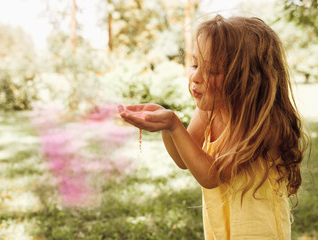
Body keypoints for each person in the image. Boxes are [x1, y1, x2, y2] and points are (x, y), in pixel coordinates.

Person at [118, 15, 308, 240]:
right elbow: (182, 159)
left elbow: (211, 177)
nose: (195, 77)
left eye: (212, 71)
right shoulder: (209, 111)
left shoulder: (261, 124)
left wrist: (174, 125)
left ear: (248, 78)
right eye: (195, 64)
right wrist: (167, 126)